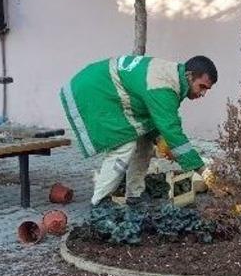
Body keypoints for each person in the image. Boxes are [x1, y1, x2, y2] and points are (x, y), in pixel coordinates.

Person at [60, 55, 217, 205]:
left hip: (101, 86)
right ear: (189, 76)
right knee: (123, 146)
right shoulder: (164, 86)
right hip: (94, 90)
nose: (202, 93)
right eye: (201, 87)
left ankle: (135, 195)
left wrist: (159, 139)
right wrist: (202, 170)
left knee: (145, 144)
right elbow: (171, 130)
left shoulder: (173, 78)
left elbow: (155, 118)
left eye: (207, 90)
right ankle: (100, 201)